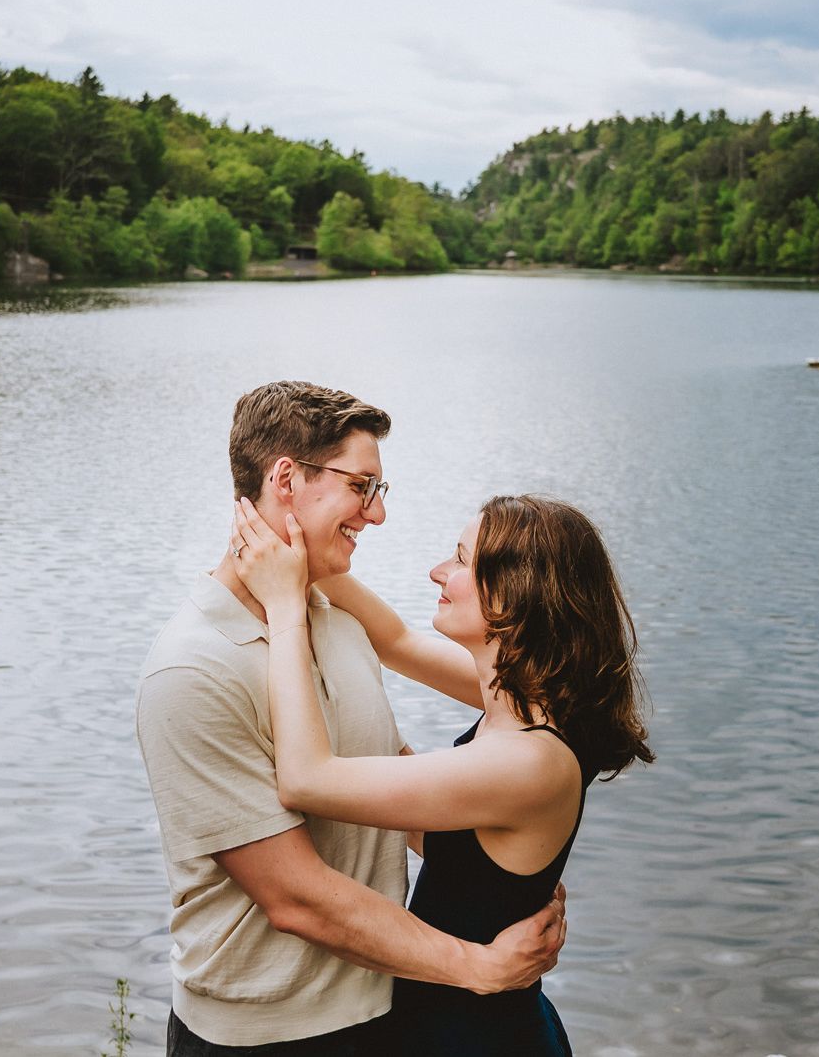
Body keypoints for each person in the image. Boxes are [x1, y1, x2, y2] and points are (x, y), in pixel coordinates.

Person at [136, 382, 565, 1056]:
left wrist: (504, 876)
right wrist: (478, 966)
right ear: (285, 479)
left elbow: (385, 774)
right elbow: (295, 896)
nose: (377, 515)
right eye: (362, 486)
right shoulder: (192, 671)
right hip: (266, 1039)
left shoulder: (333, 618)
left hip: (385, 1013)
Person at [229, 491, 654, 1056]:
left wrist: (286, 609)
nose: (438, 571)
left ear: (513, 593)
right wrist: (305, 550)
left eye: (459, 560)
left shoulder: (528, 762)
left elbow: (306, 780)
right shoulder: (537, 700)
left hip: (473, 1036)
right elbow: (396, 642)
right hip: (473, 1019)